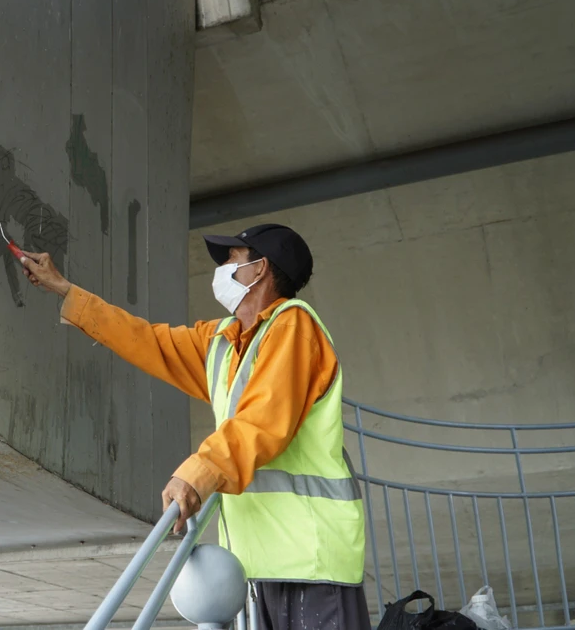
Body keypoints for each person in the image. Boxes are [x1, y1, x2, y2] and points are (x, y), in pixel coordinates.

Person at [19, 222, 369, 630]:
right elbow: (145, 340)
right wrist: (65, 289)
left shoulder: (293, 326)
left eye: (234, 260)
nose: (223, 270)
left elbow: (262, 420)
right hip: (264, 557)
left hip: (311, 555)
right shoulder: (224, 340)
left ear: (260, 269)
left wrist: (198, 473)